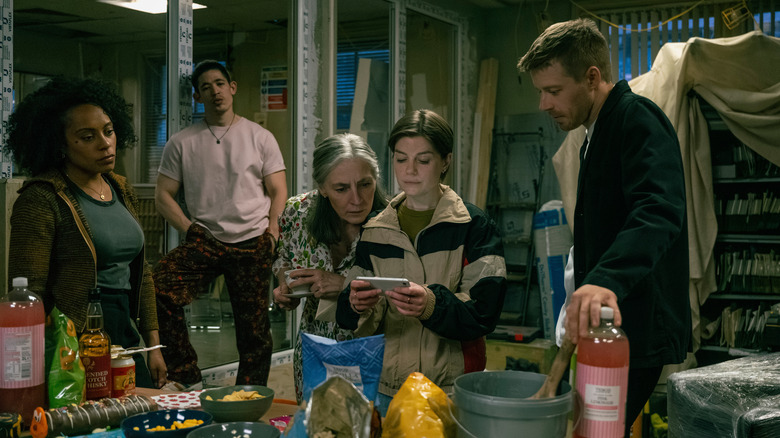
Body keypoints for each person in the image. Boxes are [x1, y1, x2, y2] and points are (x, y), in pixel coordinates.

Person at [517, 19, 690, 436]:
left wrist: (605, 280)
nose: (543, 104)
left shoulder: (636, 119)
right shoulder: (594, 135)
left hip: (634, 328)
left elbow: (658, 210)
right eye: (540, 91)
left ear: (592, 78)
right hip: (608, 327)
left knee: (597, 432)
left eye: (553, 90)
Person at [336, 109, 507, 415]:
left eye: (423, 160)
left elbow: (485, 311)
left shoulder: (473, 226)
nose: (410, 170)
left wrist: (431, 304)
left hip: (451, 390)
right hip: (387, 389)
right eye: (401, 159)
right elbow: (350, 317)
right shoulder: (375, 229)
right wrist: (355, 304)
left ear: (446, 161)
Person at [6, 76, 167, 388]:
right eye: (87, 137)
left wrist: (153, 346)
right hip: (76, 335)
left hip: (124, 329)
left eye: (108, 131)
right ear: (60, 144)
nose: (105, 143)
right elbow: (29, 294)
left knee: (141, 408)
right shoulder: (41, 198)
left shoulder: (120, 188)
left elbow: (142, 272)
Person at [154, 60, 287, 387]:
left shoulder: (260, 137)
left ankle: (249, 394)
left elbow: (278, 189)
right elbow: (163, 196)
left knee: (254, 331)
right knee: (159, 287)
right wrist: (189, 229)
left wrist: (272, 232)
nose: (214, 91)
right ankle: (186, 376)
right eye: (205, 87)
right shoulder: (182, 142)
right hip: (206, 240)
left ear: (232, 88)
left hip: (253, 240)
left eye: (219, 83)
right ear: (197, 97)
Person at [271, 133, 388, 404]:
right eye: (341, 189)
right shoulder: (297, 212)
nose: (357, 199)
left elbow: (408, 290)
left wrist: (345, 285)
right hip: (315, 350)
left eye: (365, 184)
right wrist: (285, 286)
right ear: (322, 187)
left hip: (374, 352)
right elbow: (283, 258)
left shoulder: (393, 223)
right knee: (316, 421)